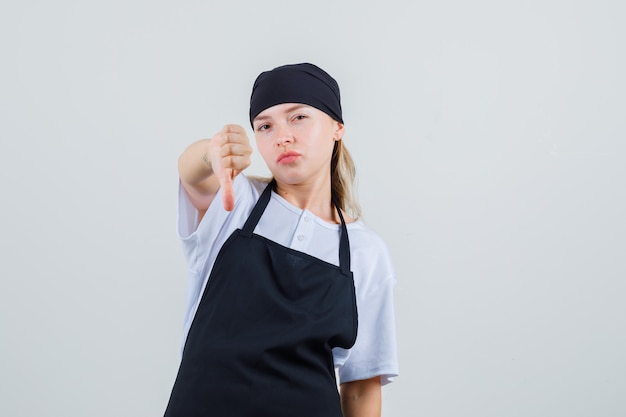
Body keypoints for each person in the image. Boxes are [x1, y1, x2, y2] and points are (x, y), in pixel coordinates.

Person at [164, 63, 398, 417]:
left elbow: (361, 389)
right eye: (265, 126)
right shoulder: (236, 204)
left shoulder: (366, 252)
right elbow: (192, 173)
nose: (281, 136)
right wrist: (211, 154)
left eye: (298, 117)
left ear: (337, 127)